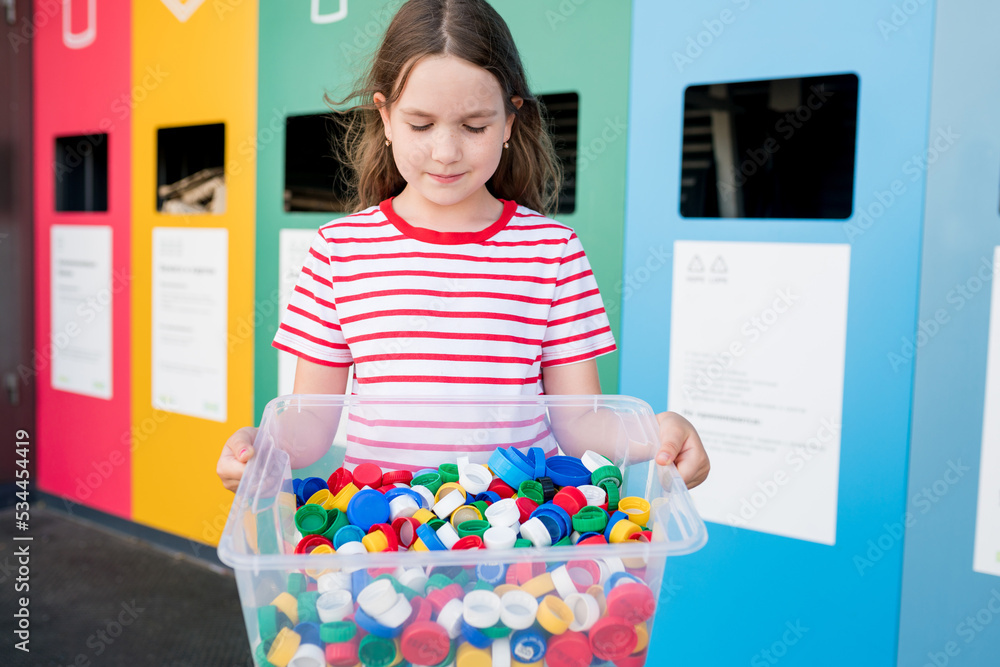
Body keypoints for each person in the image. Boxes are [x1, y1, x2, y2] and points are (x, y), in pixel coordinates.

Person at [217, 0, 709, 493]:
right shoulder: (338, 250)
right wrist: (262, 445)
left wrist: (659, 432)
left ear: (510, 121)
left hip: (515, 534)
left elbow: (580, 422)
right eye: (420, 124)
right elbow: (310, 424)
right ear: (385, 117)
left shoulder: (553, 251)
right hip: (383, 535)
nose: (446, 152)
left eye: (475, 126)